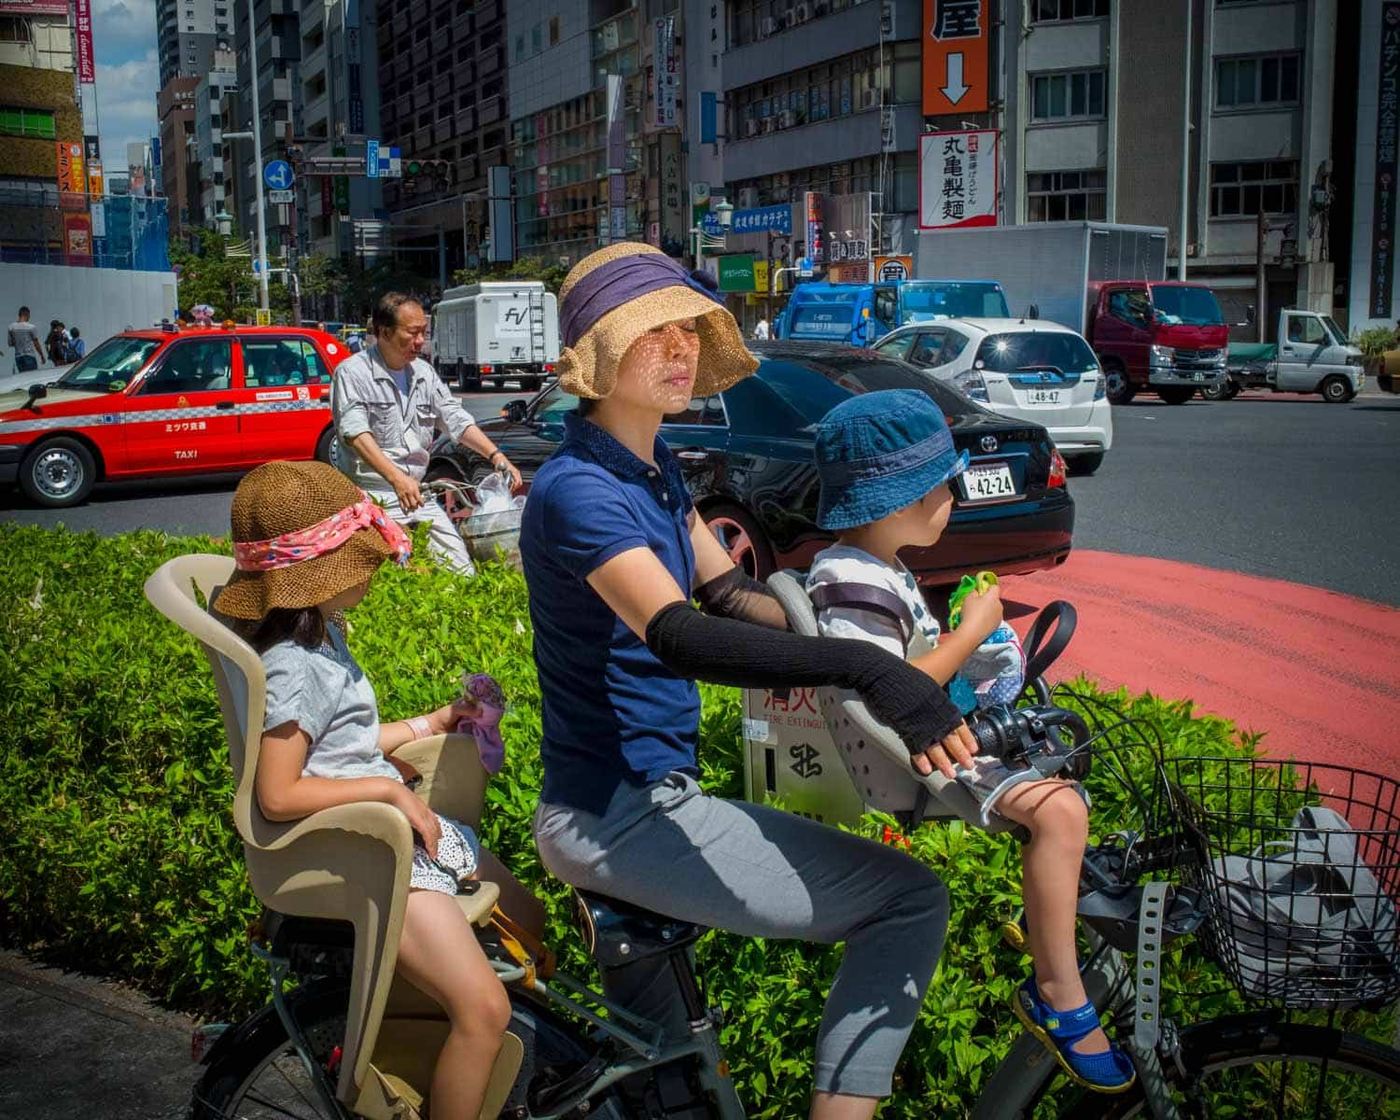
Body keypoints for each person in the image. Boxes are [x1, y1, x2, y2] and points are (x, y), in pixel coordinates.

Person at [522, 243, 979, 1119]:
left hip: (644, 799)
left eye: (692, 328)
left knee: (668, 1093)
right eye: (654, 334)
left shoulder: (652, 470)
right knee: (908, 901)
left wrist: (865, 626)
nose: (683, 348)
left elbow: (730, 594)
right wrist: (869, 670)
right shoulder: (577, 490)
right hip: (620, 812)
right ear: (602, 355)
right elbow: (681, 635)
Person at [804, 389, 1134, 1095]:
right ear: (896, 501)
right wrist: (972, 629)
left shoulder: (867, 569)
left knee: (1069, 793)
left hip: (932, 739)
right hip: (925, 759)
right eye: (942, 484)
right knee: (1062, 811)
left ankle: (1043, 918)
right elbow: (894, 686)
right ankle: (1059, 994)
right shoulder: (848, 579)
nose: (954, 494)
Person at [213, 460, 545, 1120]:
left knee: (530, 924)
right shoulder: (298, 665)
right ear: (327, 570)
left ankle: (503, 1073)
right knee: (484, 1009)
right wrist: (391, 794)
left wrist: (439, 721)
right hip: (366, 854)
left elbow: (344, 742)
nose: (373, 570)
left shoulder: (317, 634)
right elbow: (276, 794)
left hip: (386, 836)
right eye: (363, 557)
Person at [331, 292, 521, 576]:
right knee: (392, 577)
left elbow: (455, 420)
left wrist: (496, 455)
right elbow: (355, 432)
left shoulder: (424, 373)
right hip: (372, 495)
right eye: (413, 333)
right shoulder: (352, 373)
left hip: (419, 493)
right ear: (384, 332)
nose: (421, 341)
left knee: (460, 571)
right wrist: (396, 479)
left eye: (424, 332)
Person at [8, 306, 43, 374]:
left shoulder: (11, 327)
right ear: (27, 314)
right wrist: (41, 355)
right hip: (29, 355)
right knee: (33, 376)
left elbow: (10, 343)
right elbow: (36, 343)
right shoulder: (31, 327)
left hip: (18, 357)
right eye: (29, 315)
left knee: (24, 377)